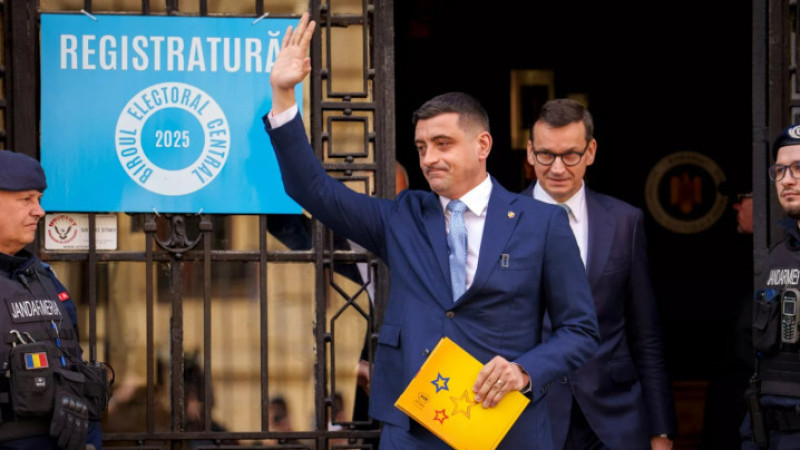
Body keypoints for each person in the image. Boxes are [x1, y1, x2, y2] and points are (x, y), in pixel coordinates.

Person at [263, 14, 599, 449]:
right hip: (414, 432)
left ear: (482, 145)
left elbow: (580, 330)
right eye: (422, 147)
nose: (429, 158)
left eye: (443, 144)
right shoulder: (402, 218)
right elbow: (314, 190)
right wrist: (283, 94)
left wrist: (524, 371)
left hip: (506, 430)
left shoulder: (542, 223)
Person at [521, 99, 677, 449]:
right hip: (531, 414)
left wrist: (661, 430)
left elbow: (645, 333)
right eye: (546, 155)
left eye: (570, 155)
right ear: (530, 152)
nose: (557, 168)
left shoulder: (624, 222)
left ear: (590, 152)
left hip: (614, 416)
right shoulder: (500, 221)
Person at [0, 150, 104, 449]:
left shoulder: (44, 278)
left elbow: (73, 360)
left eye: (39, 199)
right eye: (26, 200)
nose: (40, 211)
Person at [741, 124, 800, 448]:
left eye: (798, 168)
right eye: (780, 170)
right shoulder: (777, 256)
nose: (787, 180)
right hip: (770, 432)